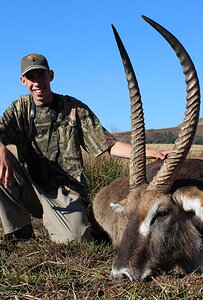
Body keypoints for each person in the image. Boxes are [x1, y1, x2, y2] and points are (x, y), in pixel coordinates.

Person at [0, 53, 169, 243]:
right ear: (23, 81)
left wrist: (152, 153)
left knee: (74, 239)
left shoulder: (73, 108)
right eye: (31, 77)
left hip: (66, 192)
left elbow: (109, 145)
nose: (37, 82)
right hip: (32, 188)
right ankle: (19, 230)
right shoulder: (19, 108)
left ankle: (71, 221)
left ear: (51, 76)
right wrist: (2, 149)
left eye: (41, 75)